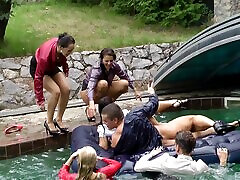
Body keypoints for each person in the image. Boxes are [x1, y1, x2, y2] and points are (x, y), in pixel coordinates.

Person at [100, 82, 240, 155]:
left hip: (160, 143)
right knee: (191, 119)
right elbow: (153, 103)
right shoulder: (134, 115)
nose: (104, 123)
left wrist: (102, 135)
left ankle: (212, 130)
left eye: (105, 121)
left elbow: (107, 150)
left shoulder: (116, 139)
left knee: (191, 136)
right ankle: (216, 124)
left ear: (115, 120)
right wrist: (152, 92)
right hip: (162, 132)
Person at [30, 32, 75, 136]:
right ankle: (49, 121)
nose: (70, 53)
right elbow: (38, 77)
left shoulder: (61, 46)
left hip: (52, 66)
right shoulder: (44, 57)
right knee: (56, 91)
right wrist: (40, 99)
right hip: (38, 67)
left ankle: (58, 119)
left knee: (66, 89)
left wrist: (65, 71)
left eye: (72, 50)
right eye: (69, 51)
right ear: (60, 47)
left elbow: (63, 60)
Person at [80, 48, 141, 122]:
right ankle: (91, 109)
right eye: (106, 61)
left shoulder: (115, 66)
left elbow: (125, 77)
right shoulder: (97, 69)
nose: (109, 63)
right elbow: (91, 86)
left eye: (111, 61)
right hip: (88, 93)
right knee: (103, 84)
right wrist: (91, 102)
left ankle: (109, 105)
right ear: (102, 60)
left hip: (105, 88)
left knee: (124, 83)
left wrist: (135, 90)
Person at [134, 131, 229, 175]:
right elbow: (219, 175)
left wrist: (152, 154)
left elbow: (137, 167)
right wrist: (223, 162)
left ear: (177, 148)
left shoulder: (164, 162)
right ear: (193, 149)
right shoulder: (199, 167)